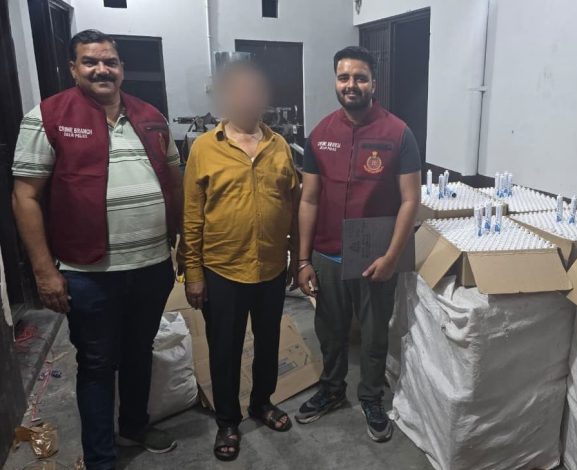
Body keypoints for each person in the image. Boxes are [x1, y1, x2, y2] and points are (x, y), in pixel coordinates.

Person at [11, 30, 180, 470]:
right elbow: (25, 196)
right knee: (98, 364)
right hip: (88, 274)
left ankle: (134, 427)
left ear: (121, 68)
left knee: (140, 351)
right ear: (73, 69)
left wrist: (178, 242)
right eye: (90, 62)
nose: (102, 69)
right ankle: (101, 457)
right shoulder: (48, 116)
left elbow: (174, 179)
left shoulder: (150, 116)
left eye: (110, 62)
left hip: (152, 266)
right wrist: (44, 272)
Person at [295, 46, 421, 442]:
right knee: (330, 330)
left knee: (373, 334)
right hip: (327, 254)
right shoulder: (320, 134)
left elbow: (410, 200)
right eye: (344, 77)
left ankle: (371, 397)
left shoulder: (398, 133)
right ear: (336, 81)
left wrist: (392, 256)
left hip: (374, 256)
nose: (351, 84)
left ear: (373, 83)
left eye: (360, 77)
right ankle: (332, 389)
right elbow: (309, 199)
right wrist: (303, 260)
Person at [180, 60, 300, 461]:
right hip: (222, 270)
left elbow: (293, 205)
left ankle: (262, 402)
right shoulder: (204, 148)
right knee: (225, 349)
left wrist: (296, 258)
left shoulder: (279, 146)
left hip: (270, 268)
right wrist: (193, 273)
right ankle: (228, 420)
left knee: (268, 343)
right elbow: (192, 216)